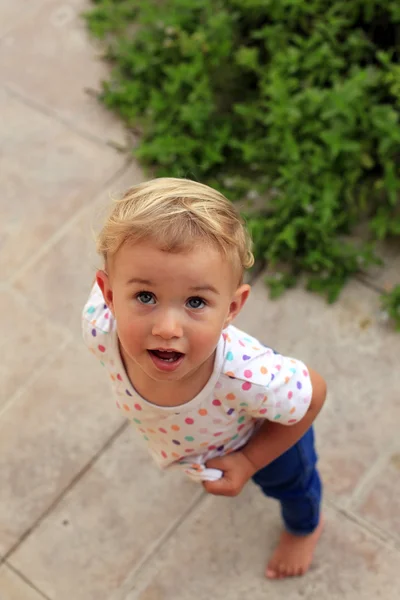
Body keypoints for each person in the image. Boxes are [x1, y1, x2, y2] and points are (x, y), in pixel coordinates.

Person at [82, 177, 327, 579]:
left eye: (196, 302)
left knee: (293, 487)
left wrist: (249, 460)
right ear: (108, 295)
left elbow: (314, 394)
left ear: (232, 307)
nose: (166, 327)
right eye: (145, 296)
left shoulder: (247, 377)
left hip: (265, 438)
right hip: (198, 440)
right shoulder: (100, 327)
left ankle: (305, 527)